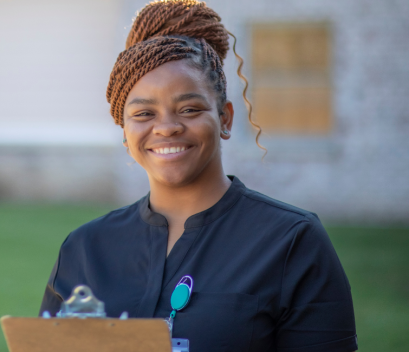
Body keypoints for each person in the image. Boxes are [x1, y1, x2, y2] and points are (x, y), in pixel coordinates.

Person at [39, 1, 357, 351]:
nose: (167, 127)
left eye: (189, 109)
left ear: (225, 118)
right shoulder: (85, 249)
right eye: (144, 113)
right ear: (125, 130)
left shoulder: (292, 242)